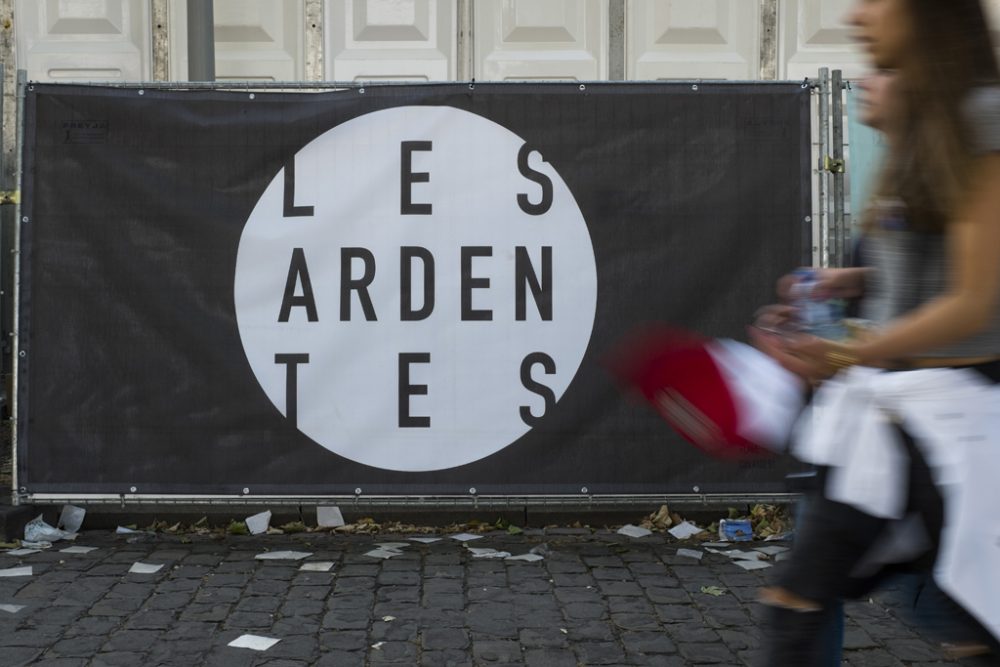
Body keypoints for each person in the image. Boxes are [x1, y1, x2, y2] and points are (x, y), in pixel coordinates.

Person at [750, 0, 1000, 663]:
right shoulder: (926, 128)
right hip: (892, 415)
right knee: (798, 604)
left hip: (955, 426)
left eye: (877, 1)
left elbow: (973, 302)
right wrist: (843, 285)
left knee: (970, 623)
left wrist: (849, 350)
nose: (855, 14)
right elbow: (919, 264)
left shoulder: (981, 117)